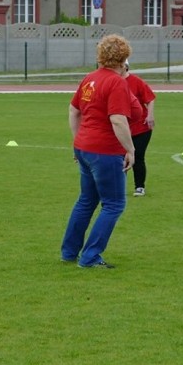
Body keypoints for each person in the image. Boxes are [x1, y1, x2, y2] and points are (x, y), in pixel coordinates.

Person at [61, 34, 143, 269]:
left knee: (86, 200)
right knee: (114, 204)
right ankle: (90, 256)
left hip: (85, 147)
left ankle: (69, 252)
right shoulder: (116, 82)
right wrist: (130, 149)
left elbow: (73, 111)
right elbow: (118, 120)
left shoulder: (90, 78)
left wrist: (78, 141)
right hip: (105, 150)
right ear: (124, 58)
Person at [123, 60, 156, 197]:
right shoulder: (111, 82)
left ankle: (140, 187)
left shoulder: (136, 81)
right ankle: (118, 187)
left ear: (125, 66)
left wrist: (150, 115)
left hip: (140, 128)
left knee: (138, 156)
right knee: (119, 158)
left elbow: (150, 98)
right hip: (121, 128)